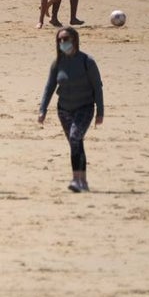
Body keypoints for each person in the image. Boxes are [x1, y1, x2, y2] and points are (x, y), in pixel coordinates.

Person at [38, 26, 105, 193]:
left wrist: (100, 112)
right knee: (75, 143)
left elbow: (97, 87)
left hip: (84, 107)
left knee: (75, 138)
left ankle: (77, 180)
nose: (63, 42)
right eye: (60, 40)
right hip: (64, 110)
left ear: (74, 40)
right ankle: (81, 181)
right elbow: (50, 86)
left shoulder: (87, 61)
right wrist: (42, 109)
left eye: (66, 39)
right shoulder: (58, 62)